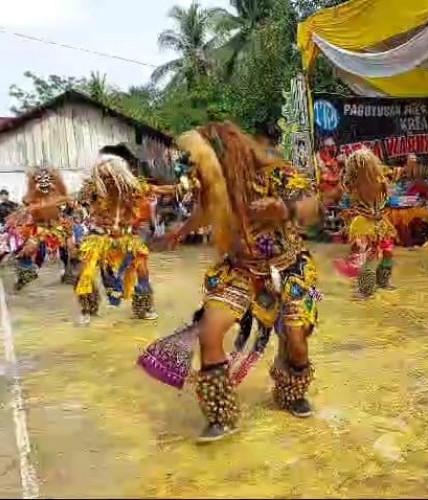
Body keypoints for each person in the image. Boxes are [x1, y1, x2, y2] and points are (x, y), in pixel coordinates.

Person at [137, 121, 322, 443]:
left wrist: (285, 209)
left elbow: (313, 206)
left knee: (297, 340)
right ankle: (221, 414)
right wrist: (177, 233)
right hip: (239, 271)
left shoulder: (278, 172)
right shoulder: (214, 186)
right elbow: (204, 213)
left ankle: (291, 391)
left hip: (289, 268)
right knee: (210, 331)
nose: (195, 167)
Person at [74, 154, 176, 325]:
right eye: (103, 177)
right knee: (86, 269)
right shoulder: (93, 191)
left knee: (142, 269)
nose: (108, 181)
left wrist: (187, 186)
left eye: (110, 176)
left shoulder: (134, 189)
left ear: (119, 175)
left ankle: (143, 307)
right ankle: (88, 308)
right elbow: (75, 201)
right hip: (100, 237)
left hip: (126, 237)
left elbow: (162, 190)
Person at [333, 148, 398, 298]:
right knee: (385, 252)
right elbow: (389, 200)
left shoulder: (352, 185)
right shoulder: (381, 182)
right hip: (379, 223)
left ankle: (368, 287)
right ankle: (381, 282)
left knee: (370, 256)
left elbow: (345, 203)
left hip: (364, 224)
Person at [6, 167, 75, 290]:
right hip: (40, 227)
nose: (44, 185)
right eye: (40, 181)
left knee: (70, 248)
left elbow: (70, 206)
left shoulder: (59, 195)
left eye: (47, 181)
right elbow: (25, 205)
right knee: (28, 250)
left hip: (58, 225)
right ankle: (26, 275)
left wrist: (67, 207)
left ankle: (69, 272)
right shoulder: (32, 197)